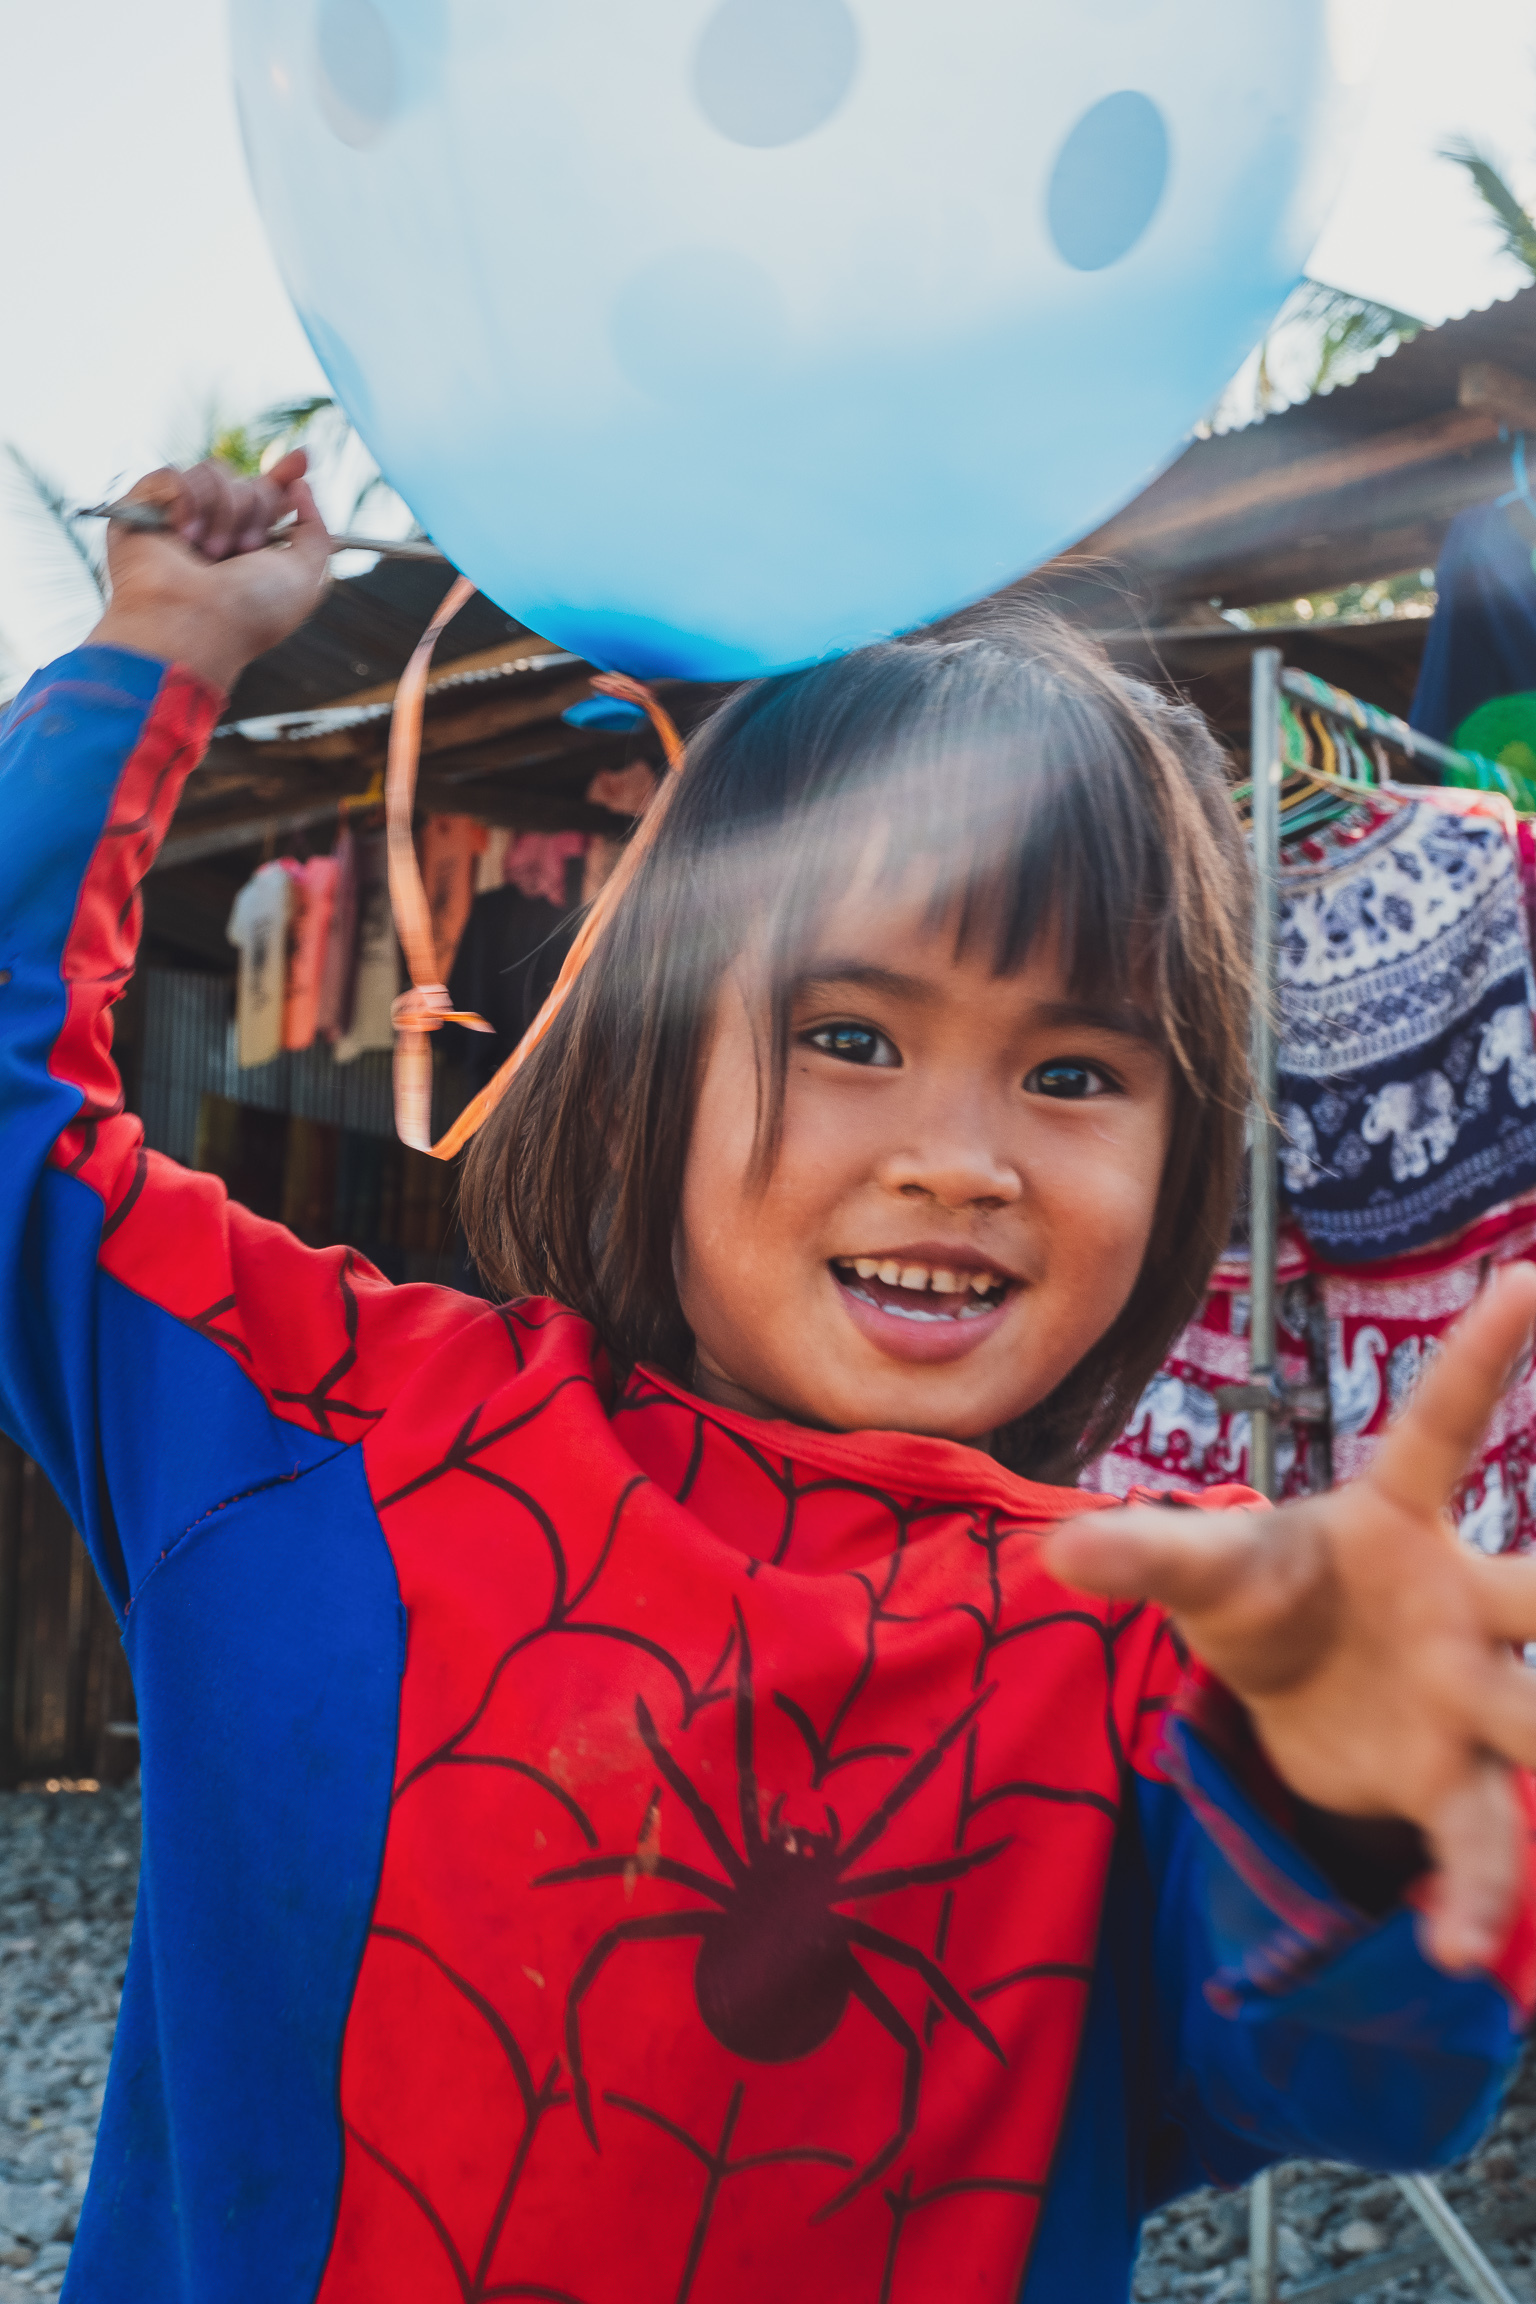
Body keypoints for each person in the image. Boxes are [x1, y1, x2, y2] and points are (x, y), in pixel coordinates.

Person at [3, 456, 1536, 2304]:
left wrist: (1350, 1797)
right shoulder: (320, 1427)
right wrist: (156, 648)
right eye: (851, 1034)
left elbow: (1370, 2088)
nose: (961, 1159)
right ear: (648, 1047)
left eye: (1073, 1075)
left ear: (1186, 1144)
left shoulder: (1165, 1631)